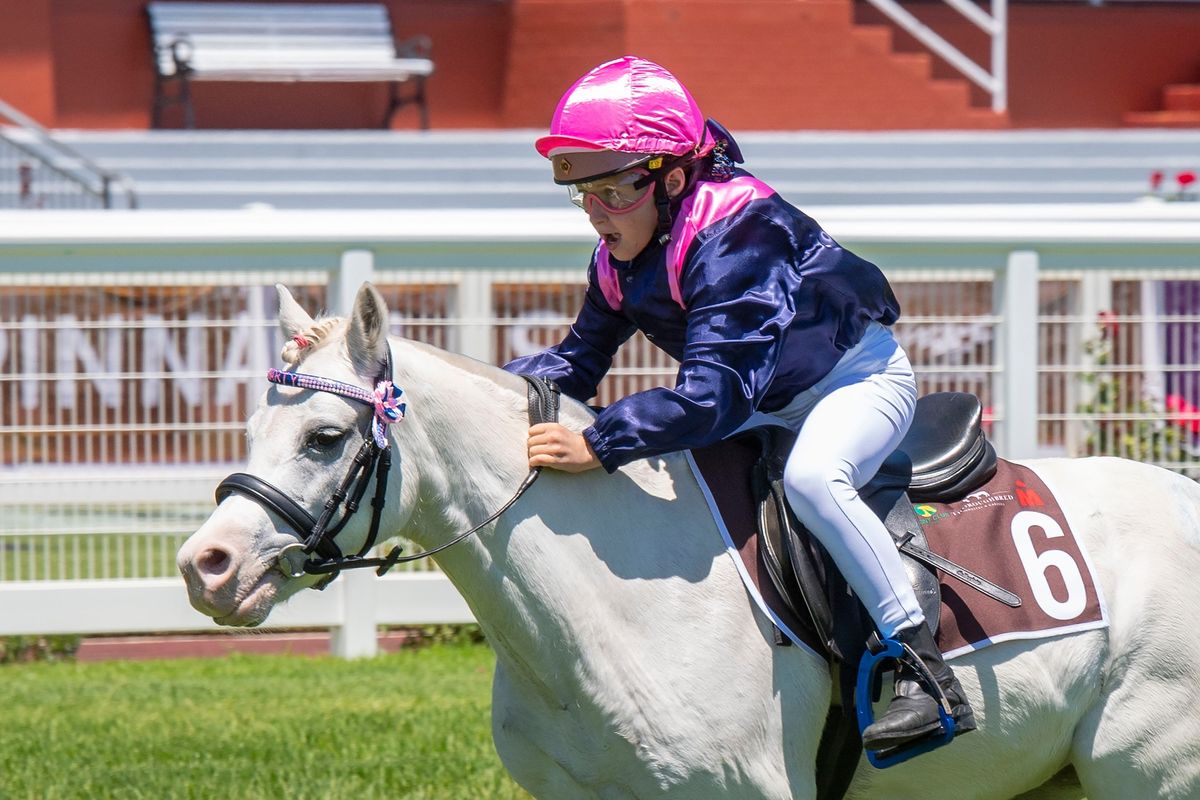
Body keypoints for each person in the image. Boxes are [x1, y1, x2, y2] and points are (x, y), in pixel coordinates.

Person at [503, 55, 974, 751]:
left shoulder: (741, 235)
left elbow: (714, 398)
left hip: (854, 384)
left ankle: (922, 669)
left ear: (671, 178)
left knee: (816, 478)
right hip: (762, 399)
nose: (596, 215)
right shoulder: (620, 255)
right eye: (583, 195)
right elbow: (576, 362)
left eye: (612, 192)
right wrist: (453, 386)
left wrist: (600, 443)